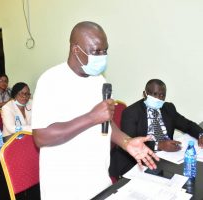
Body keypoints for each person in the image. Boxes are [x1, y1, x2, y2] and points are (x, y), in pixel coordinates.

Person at [31, 21, 159, 200]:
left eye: (105, 50)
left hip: (99, 182)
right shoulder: (50, 81)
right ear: (76, 49)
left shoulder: (98, 80)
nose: (102, 56)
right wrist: (91, 117)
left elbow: (105, 121)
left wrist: (126, 142)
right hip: (65, 189)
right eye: (96, 51)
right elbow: (41, 136)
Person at [109, 79, 203, 178]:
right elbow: (129, 142)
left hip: (166, 158)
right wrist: (158, 145)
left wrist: (201, 134)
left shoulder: (168, 108)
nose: (158, 98)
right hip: (136, 160)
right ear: (145, 94)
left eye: (162, 95)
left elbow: (187, 125)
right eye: (154, 94)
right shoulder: (131, 112)